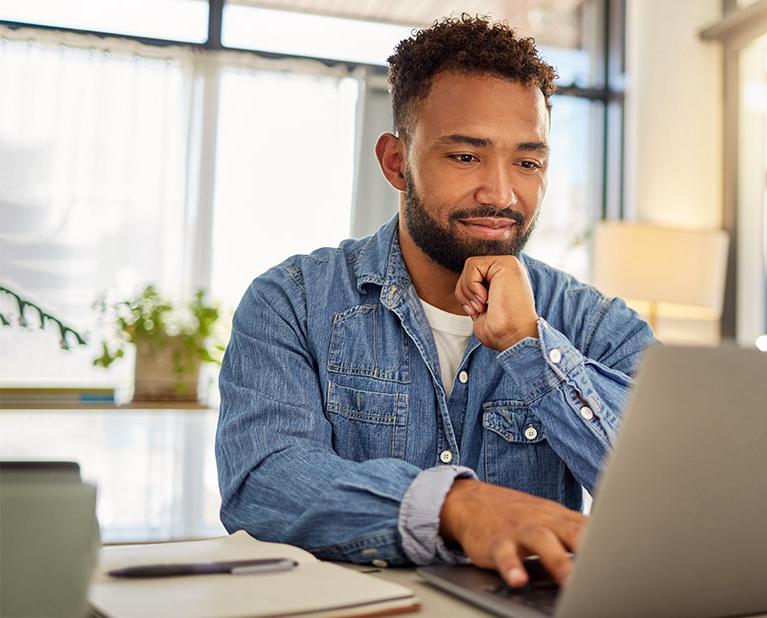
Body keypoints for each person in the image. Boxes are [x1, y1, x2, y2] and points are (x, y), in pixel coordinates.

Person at [215, 14, 655, 589]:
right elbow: (263, 484)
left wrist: (533, 350)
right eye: (466, 156)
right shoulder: (291, 301)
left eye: (527, 161)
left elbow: (670, 499)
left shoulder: (596, 324)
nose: (501, 193)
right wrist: (455, 507)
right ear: (396, 162)